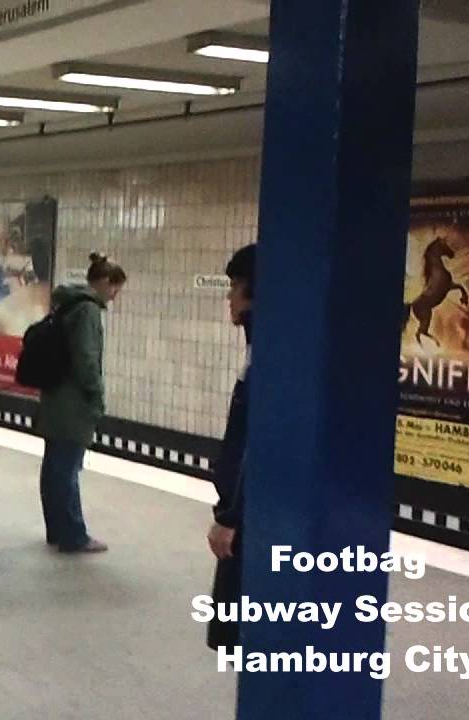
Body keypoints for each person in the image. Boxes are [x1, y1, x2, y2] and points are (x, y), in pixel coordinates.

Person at [35, 253, 127, 554]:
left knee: (54, 466)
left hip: (55, 396)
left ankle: (55, 528)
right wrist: (97, 396)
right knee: (68, 469)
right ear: (102, 282)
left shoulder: (66, 303)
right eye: (114, 288)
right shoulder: (87, 311)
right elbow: (86, 360)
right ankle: (73, 535)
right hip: (73, 402)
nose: (114, 296)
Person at [206, 243, 255, 651]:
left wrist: (231, 516)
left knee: (244, 632)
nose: (229, 296)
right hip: (245, 509)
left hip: (252, 517)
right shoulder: (259, 349)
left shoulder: (272, 357)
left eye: (236, 285)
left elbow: (256, 444)